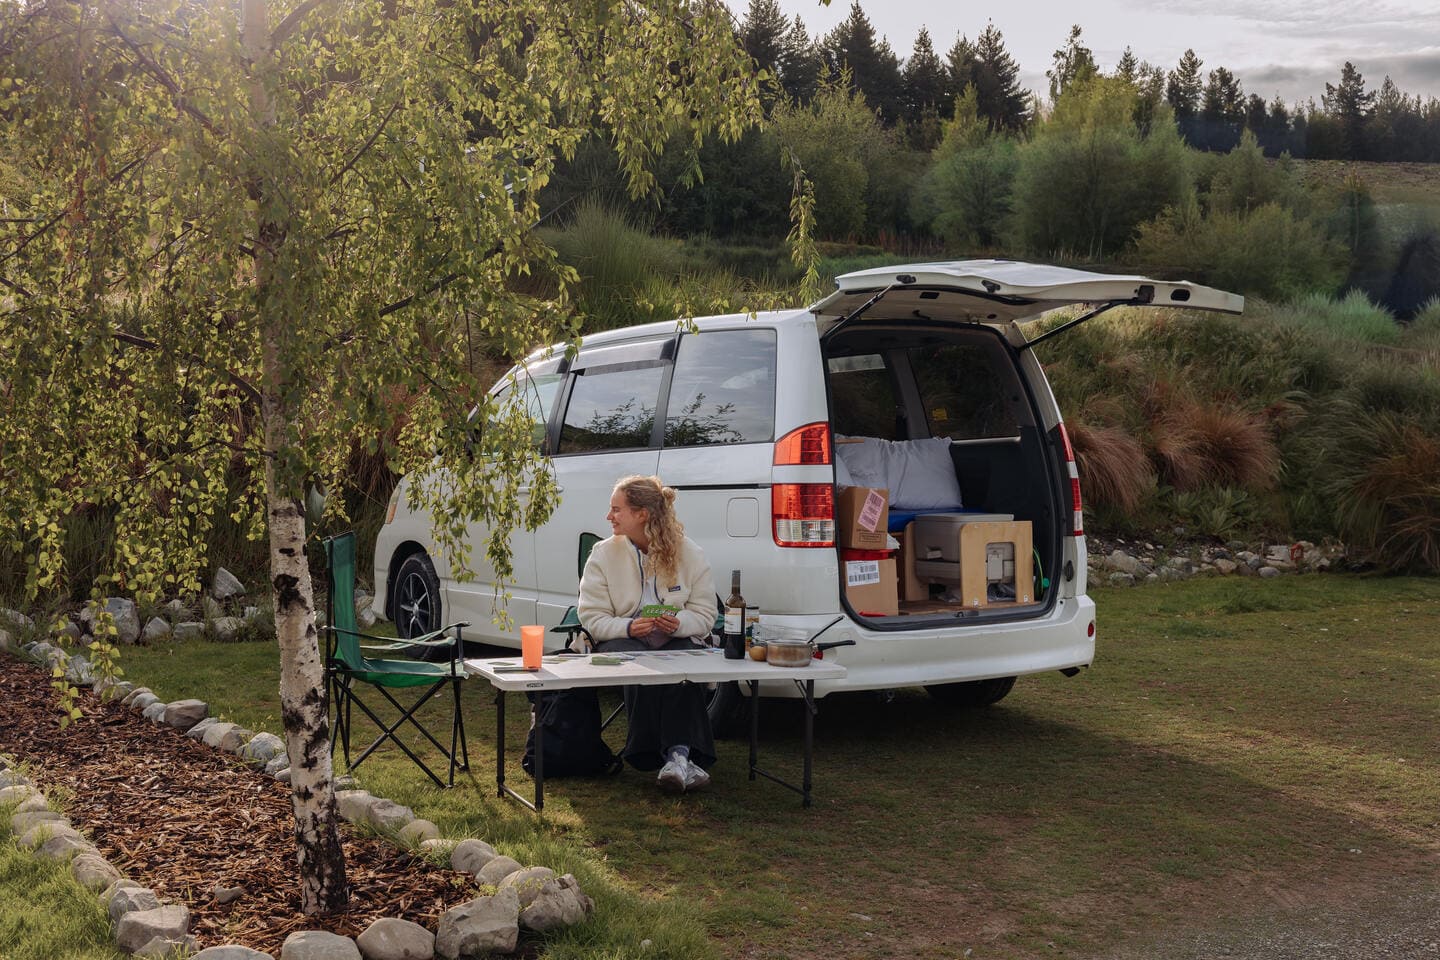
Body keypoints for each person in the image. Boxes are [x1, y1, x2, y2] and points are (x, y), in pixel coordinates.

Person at [578, 475, 718, 793]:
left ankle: (678, 757)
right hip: (621, 638)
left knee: (684, 666)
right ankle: (672, 758)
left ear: (641, 514)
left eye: (616, 509)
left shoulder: (689, 553)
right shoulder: (602, 554)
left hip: (674, 639)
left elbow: (706, 615)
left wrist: (679, 623)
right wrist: (627, 626)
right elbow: (591, 617)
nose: (608, 516)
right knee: (640, 661)